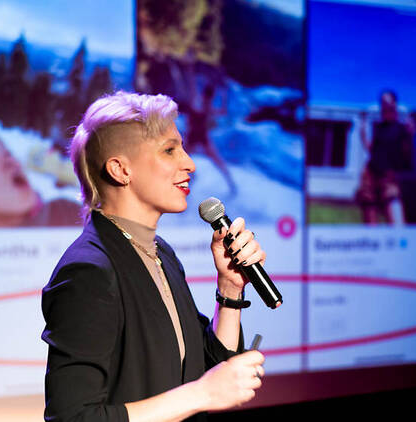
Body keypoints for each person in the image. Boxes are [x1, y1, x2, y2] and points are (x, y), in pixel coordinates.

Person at [40, 91, 266, 422]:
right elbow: (73, 417)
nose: (189, 163)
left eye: (182, 148)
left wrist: (231, 290)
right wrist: (202, 393)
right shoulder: (88, 271)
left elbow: (200, 371)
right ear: (120, 170)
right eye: (170, 150)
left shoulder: (161, 253)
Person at [356, 90, 414, 225]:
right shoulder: (379, 128)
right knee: (370, 223)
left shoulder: (402, 128)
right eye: (382, 103)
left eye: (388, 102)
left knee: (397, 223)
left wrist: (411, 135)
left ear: (394, 105)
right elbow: (371, 149)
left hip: (389, 176)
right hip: (370, 174)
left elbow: (406, 154)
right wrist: (363, 130)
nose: (385, 106)